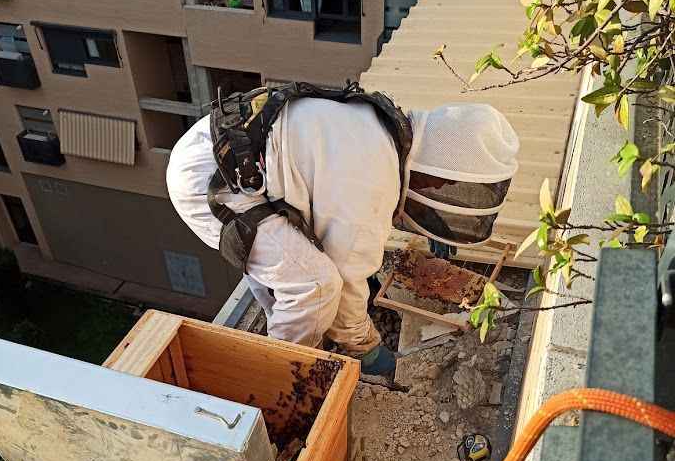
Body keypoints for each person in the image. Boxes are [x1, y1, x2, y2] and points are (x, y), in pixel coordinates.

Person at [166, 93, 518, 376]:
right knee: (315, 284)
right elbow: (346, 280)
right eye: (445, 181)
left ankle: (287, 334)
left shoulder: (382, 127)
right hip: (211, 180)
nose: (443, 188)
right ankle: (281, 371)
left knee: (289, 273)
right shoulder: (371, 182)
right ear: (434, 163)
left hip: (222, 145)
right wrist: (365, 348)